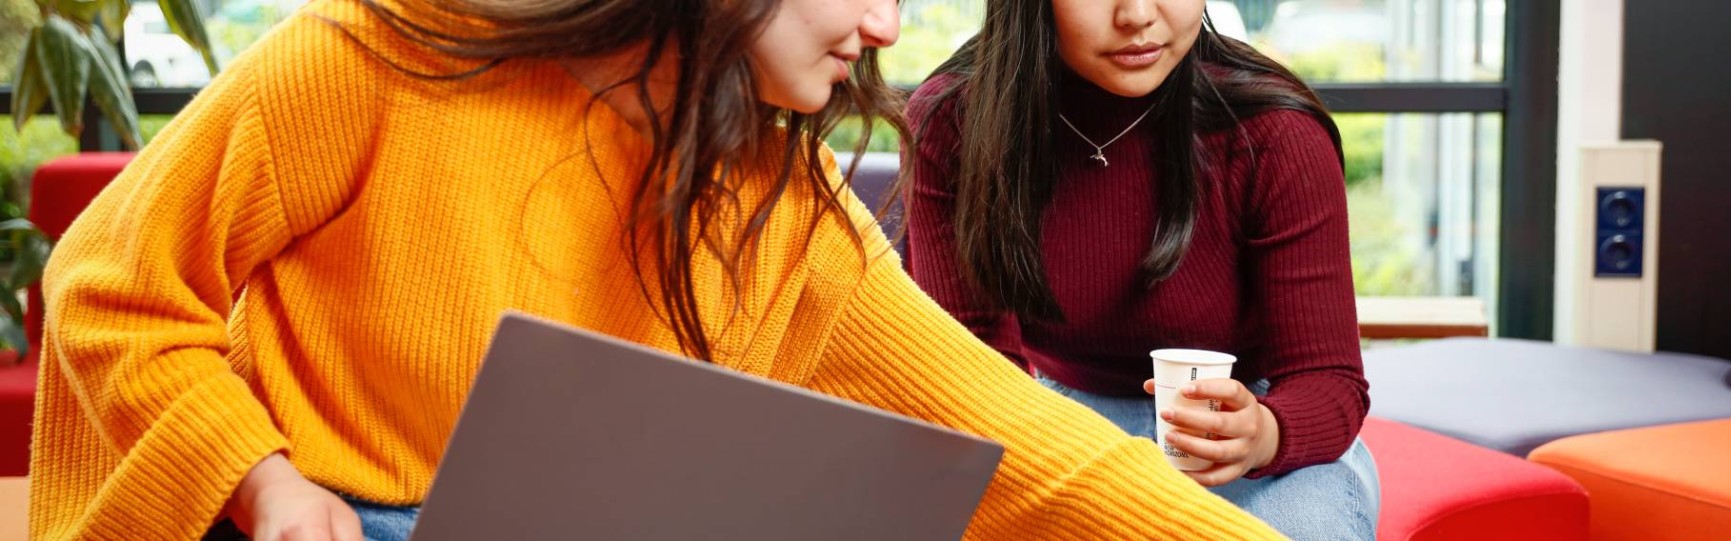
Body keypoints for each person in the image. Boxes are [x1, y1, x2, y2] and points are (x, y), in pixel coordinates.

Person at [26, 1, 1291, 539]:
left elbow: (1027, 441)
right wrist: (266, 484)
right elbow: (107, 282)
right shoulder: (380, 55)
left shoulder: (780, 205)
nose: (890, 29)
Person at [901, 0, 1381, 538]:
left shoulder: (1273, 130)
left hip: (1252, 436)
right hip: (1055, 422)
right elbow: (976, 373)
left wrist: (1260, 433)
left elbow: (1327, 382)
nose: (1136, 15)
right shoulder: (955, 120)